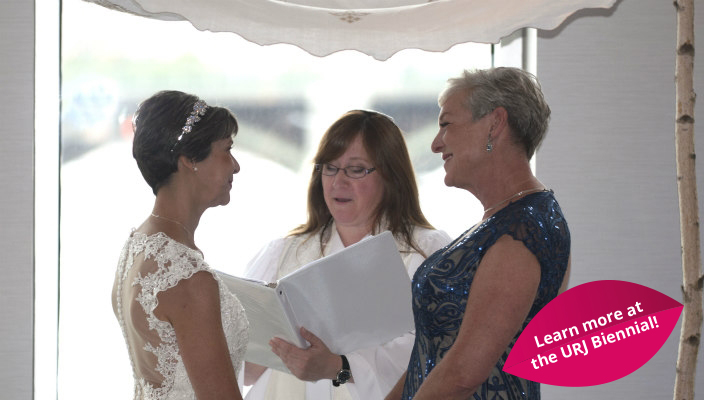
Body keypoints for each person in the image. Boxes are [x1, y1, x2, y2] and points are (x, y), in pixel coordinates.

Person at [385, 67, 571, 400]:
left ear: (494, 124)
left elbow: (463, 374)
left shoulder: (522, 229)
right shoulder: (504, 223)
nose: (435, 143)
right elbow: (431, 357)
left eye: (446, 124)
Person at [243, 109, 451, 400]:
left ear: (391, 176)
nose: (338, 182)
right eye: (330, 167)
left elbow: (438, 352)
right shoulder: (282, 252)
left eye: (356, 169)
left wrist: (339, 367)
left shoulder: (426, 250)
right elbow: (243, 365)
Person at [112, 90, 249, 400]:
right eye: (226, 150)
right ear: (189, 160)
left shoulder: (136, 247)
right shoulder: (187, 278)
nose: (236, 166)